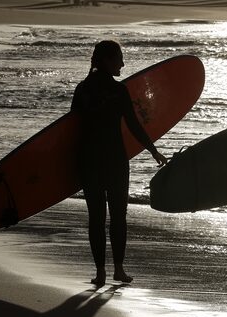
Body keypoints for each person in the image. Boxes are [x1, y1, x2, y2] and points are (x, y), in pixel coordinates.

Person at [71, 40, 167, 287]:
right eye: (118, 58)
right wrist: (153, 150)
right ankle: (119, 270)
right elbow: (134, 125)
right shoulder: (118, 91)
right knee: (118, 217)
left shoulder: (82, 90)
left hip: (89, 159)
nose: (122, 63)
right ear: (105, 61)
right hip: (114, 160)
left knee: (96, 217)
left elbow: (70, 130)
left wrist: (70, 165)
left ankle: (101, 272)